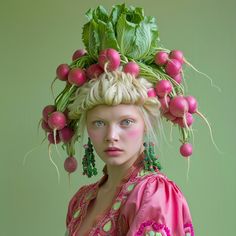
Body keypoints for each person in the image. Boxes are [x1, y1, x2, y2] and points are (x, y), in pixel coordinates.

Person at [64, 71, 194, 236]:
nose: (111, 136)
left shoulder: (153, 194)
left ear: (146, 125)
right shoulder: (81, 199)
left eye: (126, 122)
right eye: (99, 123)